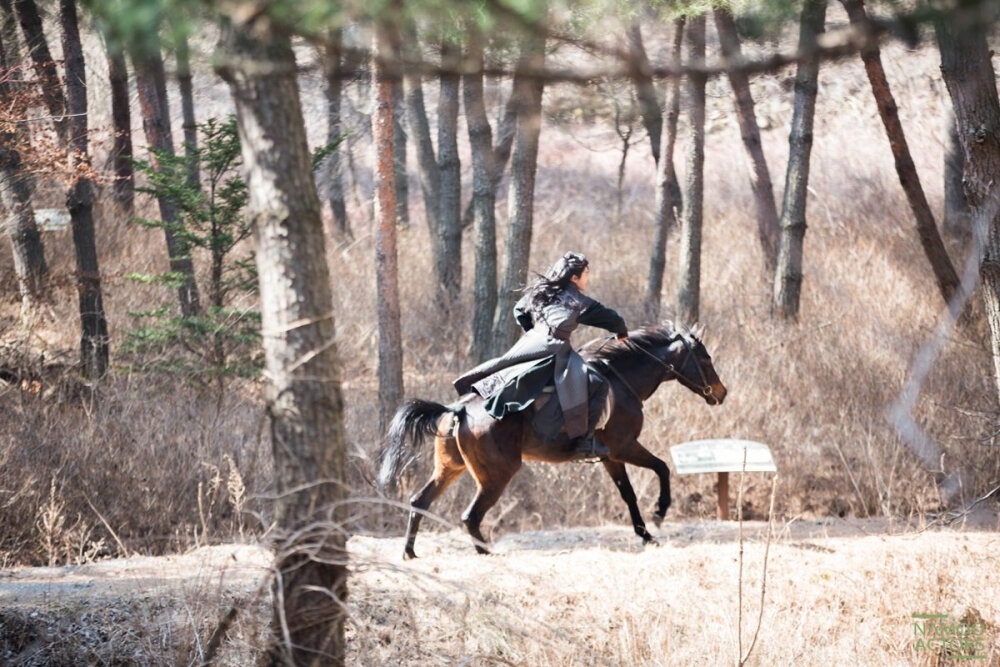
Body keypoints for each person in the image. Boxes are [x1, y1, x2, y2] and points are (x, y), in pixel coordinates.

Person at [454, 252, 628, 460]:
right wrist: (621, 333)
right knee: (599, 383)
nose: (588, 278)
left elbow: (519, 309)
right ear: (574, 277)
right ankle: (586, 442)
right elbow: (613, 319)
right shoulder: (579, 301)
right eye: (586, 273)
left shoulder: (542, 292)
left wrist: (532, 331)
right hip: (555, 350)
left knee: (503, 366)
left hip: (530, 343)